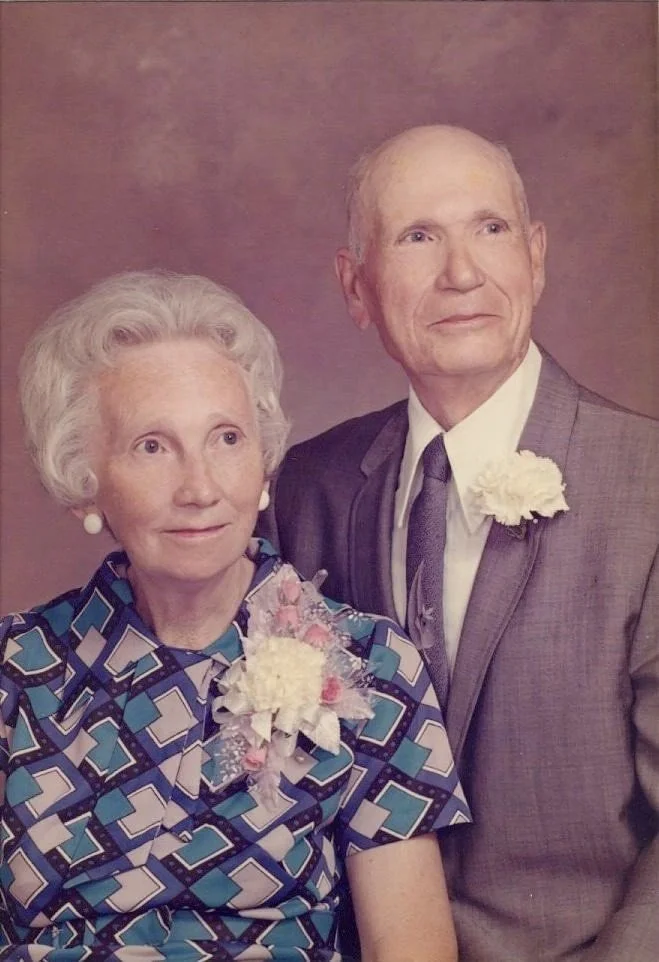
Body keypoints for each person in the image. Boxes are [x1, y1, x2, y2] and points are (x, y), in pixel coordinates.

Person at [259, 126, 659, 961]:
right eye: (416, 237)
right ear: (355, 287)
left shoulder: (647, 484)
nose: (461, 273)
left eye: (490, 229)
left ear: (536, 257)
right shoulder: (306, 488)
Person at [0, 270, 470, 962]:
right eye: (151, 446)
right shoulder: (16, 668)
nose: (199, 488)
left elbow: (413, 951)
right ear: (83, 480)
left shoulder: (371, 665)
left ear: (263, 464)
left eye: (225, 439)